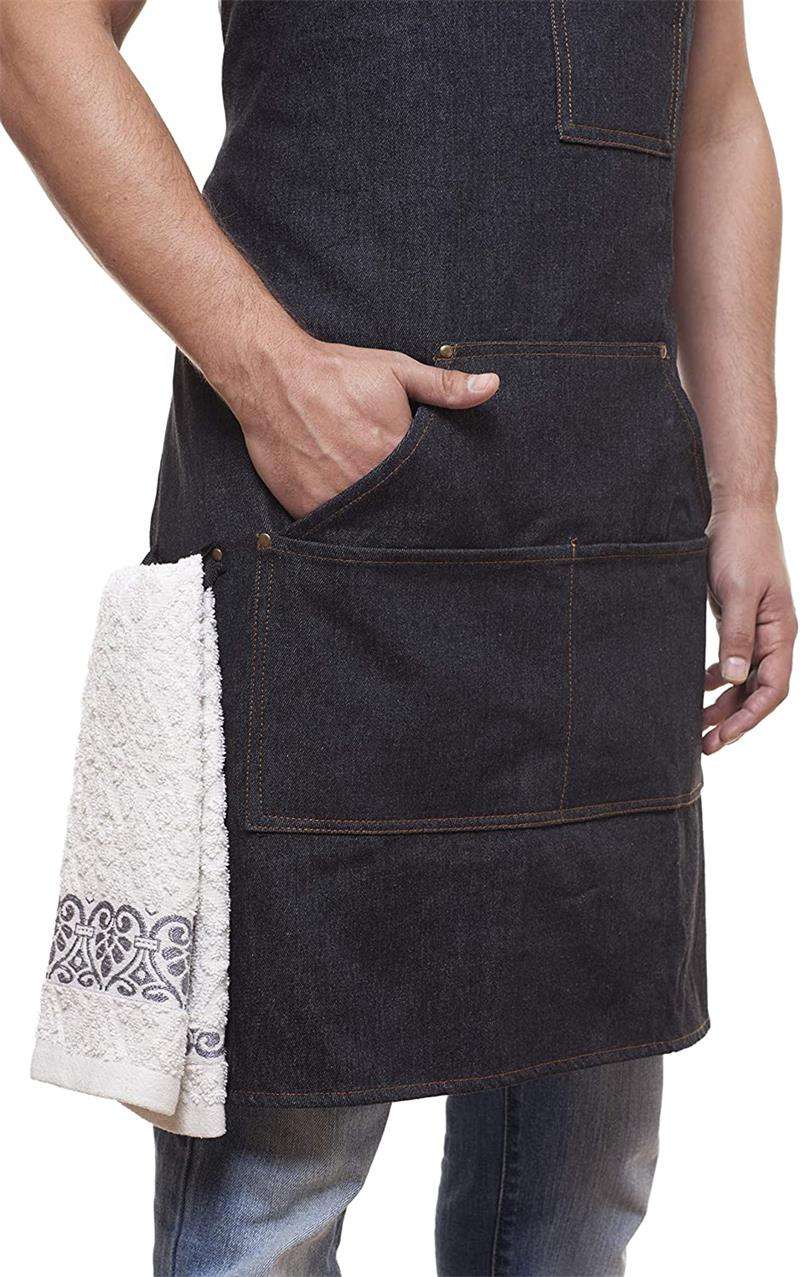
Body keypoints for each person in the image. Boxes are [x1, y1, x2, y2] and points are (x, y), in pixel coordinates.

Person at [2, 2, 795, 1274]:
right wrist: (266, 371)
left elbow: (712, 120)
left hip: (608, 540)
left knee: (580, 1191)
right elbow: (35, 30)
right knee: (272, 1193)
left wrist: (745, 490)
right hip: (331, 547)